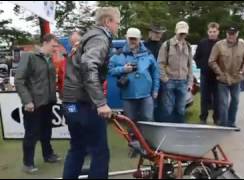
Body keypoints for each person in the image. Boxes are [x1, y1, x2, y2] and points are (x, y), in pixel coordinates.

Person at [62, 7, 120, 179]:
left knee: (77, 148)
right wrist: (101, 103)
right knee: (99, 151)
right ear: (108, 21)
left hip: (71, 102)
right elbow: (89, 65)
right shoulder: (100, 37)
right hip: (84, 103)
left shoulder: (88, 37)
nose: (118, 27)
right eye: (117, 23)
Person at [15, 34, 61, 174]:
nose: (55, 48)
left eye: (56, 46)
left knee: (46, 131)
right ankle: (27, 163)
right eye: (53, 46)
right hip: (33, 104)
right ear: (45, 43)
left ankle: (48, 155)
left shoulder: (49, 59)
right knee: (32, 134)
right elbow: (19, 80)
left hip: (48, 102)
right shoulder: (29, 56)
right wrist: (27, 101)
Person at [109, 27, 160, 123]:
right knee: (131, 122)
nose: (132, 41)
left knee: (148, 120)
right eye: (130, 38)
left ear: (139, 39)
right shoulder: (118, 54)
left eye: (135, 39)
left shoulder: (148, 54)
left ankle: (148, 138)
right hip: (128, 95)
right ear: (126, 38)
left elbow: (155, 73)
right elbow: (110, 71)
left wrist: (156, 90)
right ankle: (133, 138)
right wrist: (123, 69)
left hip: (146, 94)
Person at [208, 25, 244, 128]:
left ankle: (231, 122)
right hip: (223, 78)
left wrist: (242, 71)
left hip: (236, 78)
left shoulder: (242, 45)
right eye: (229, 34)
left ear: (237, 34)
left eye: (233, 34)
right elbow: (211, 61)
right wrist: (220, 73)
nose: (231, 36)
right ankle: (223, 123)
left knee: (235, 101)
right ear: (226, 34)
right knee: (223, 103)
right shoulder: (219, 45)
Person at [158, 21, 193, 123]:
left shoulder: (188, 46)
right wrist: (165, 79)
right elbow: (160, 63)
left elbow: (190, 65)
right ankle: (167, 132)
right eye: (180, 33)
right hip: (170, 81)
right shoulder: (167, 45)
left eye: (184, 33)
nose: (182, 35)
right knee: (168, 109)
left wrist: (190, 82)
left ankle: (179, 131)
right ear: (176, 31)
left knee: (181, 109)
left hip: (183, 82)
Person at [194, 22, 220, 125]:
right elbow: (196, 57)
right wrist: (202, 66)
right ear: (207, 32)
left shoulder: (221, 44)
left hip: (217, 76)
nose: (212, 34)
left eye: (214, 32)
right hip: (205, 75)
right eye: (210, 32)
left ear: (218, 32)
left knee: (217, 99)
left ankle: (217, 118)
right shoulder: (202, 43)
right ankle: (203, 117)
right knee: (204, 98)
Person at [144, 24, 166, 122]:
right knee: (148, 103)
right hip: (147, 79)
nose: (158, 35)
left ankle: (159, 124)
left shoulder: (163, 46)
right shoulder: (144, 46)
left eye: (160, 33)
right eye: (156, 33)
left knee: (161, 104)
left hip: (161, 78)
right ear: (150, 33)